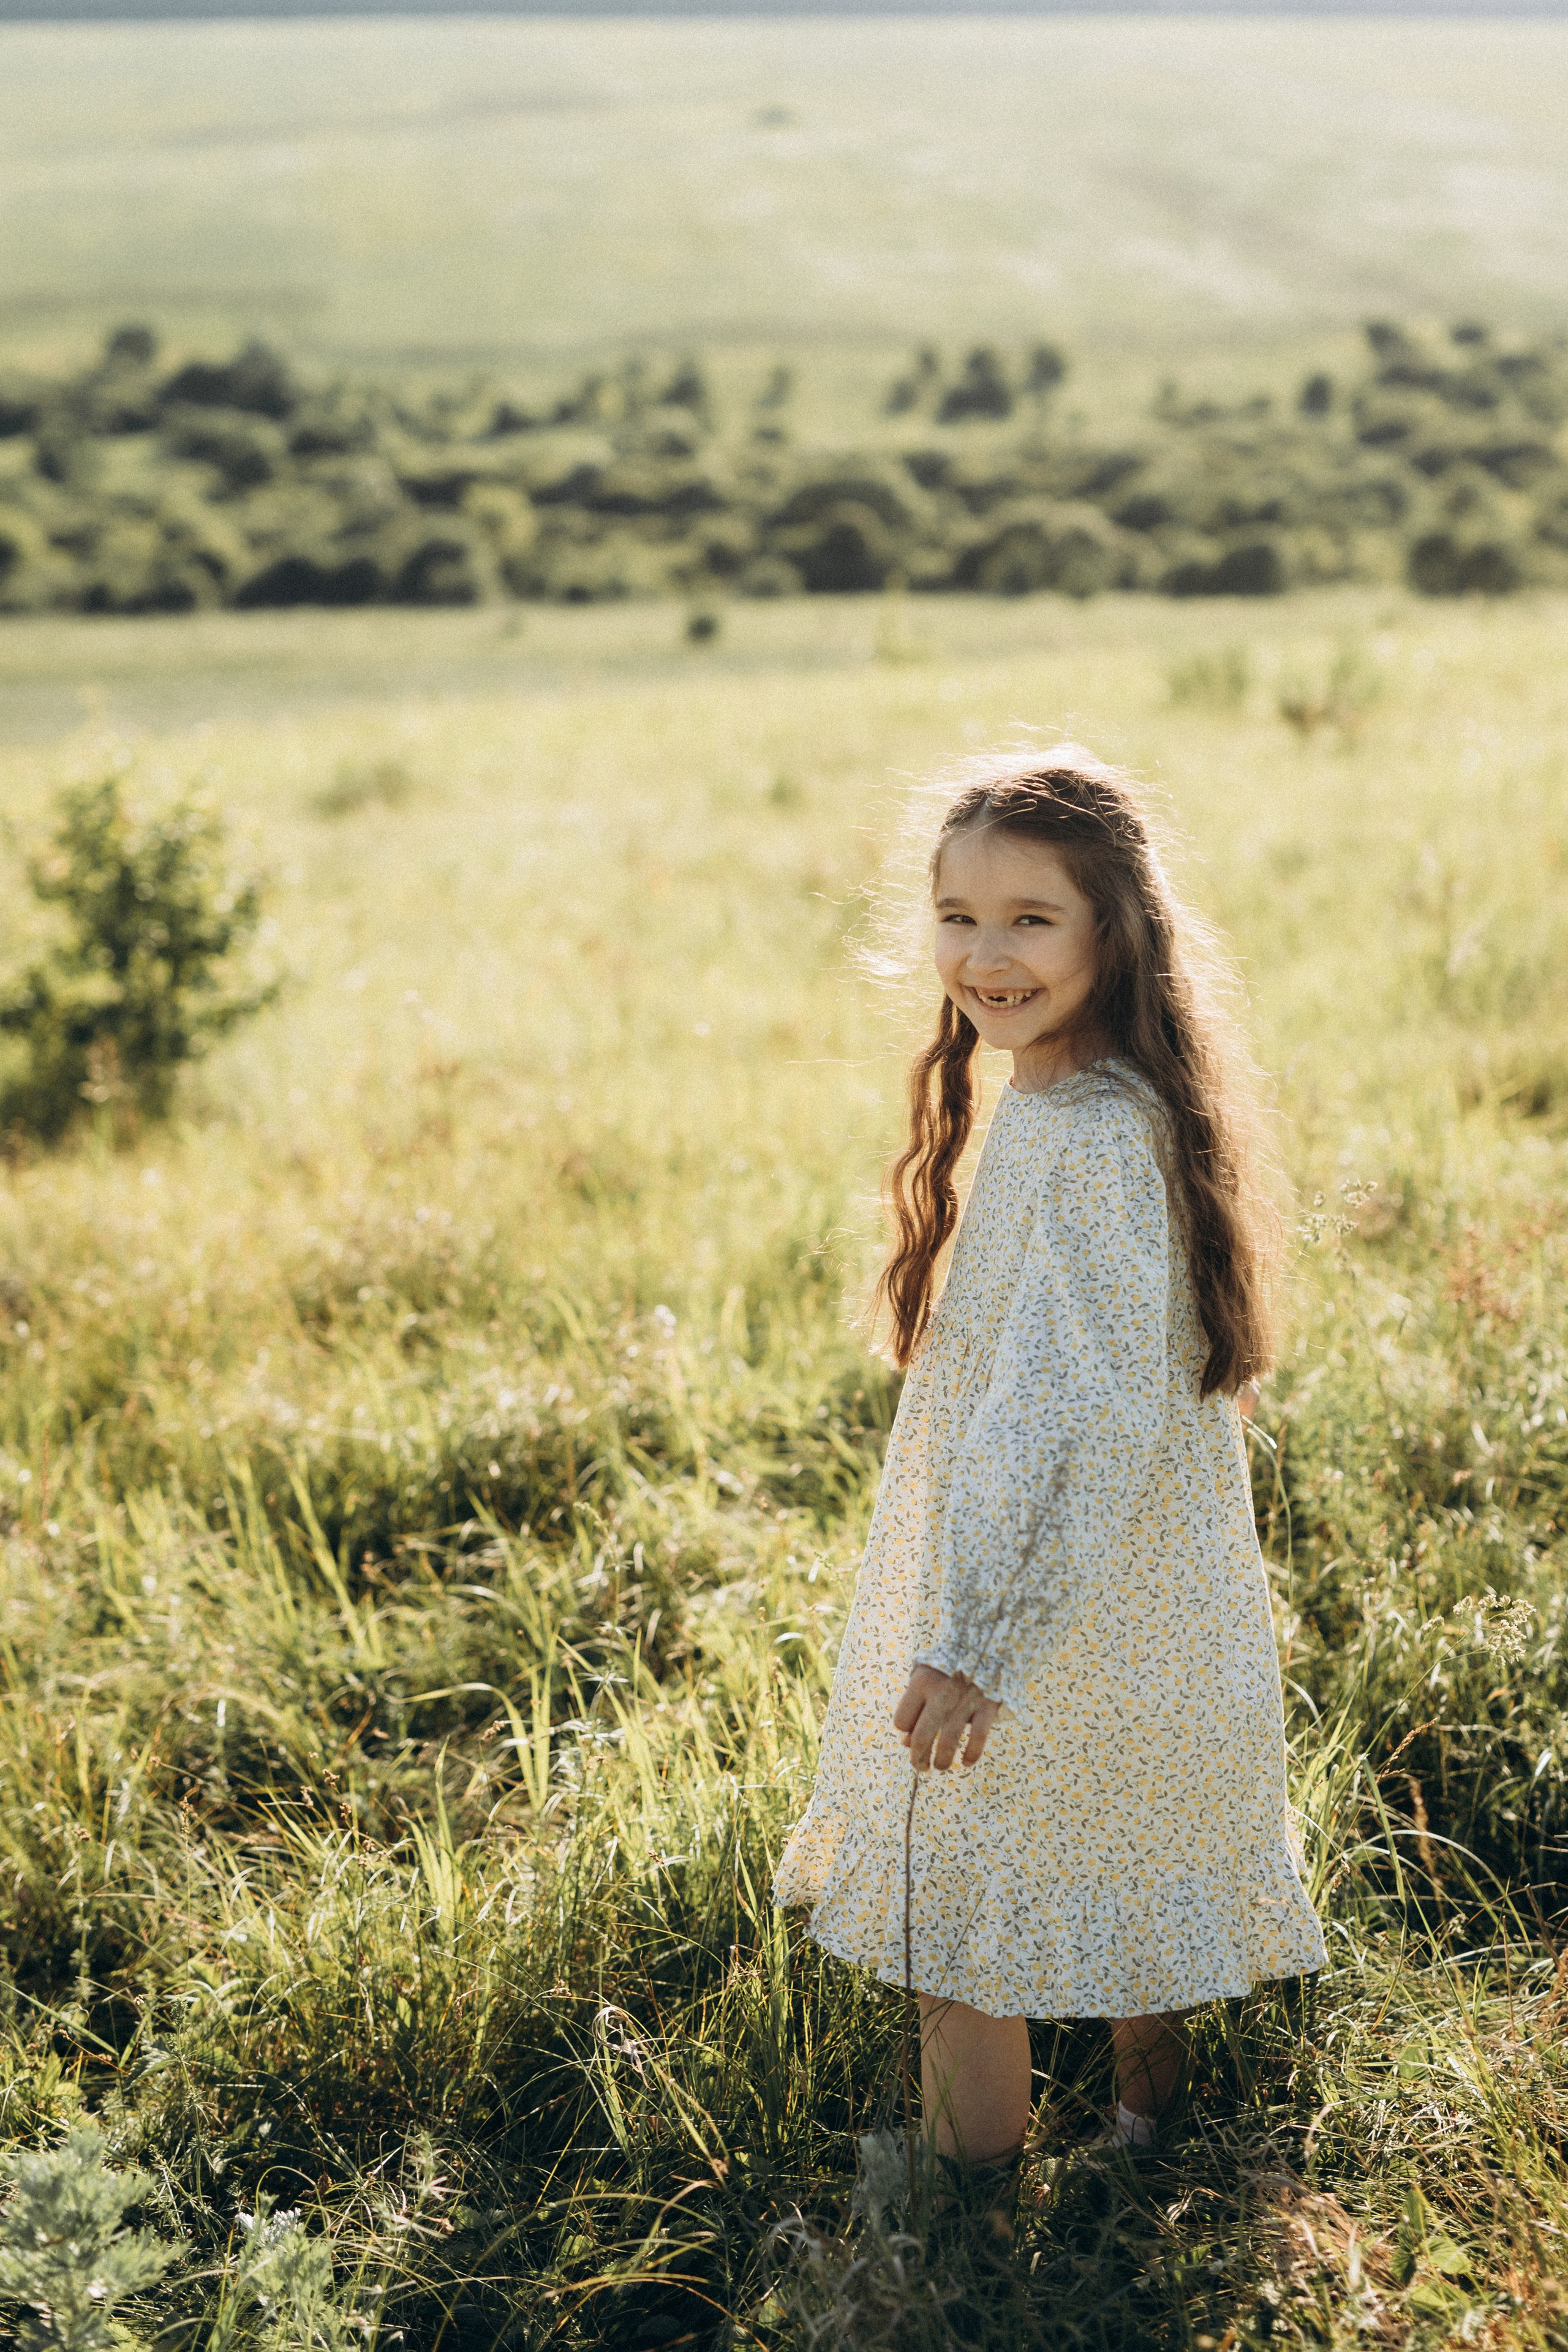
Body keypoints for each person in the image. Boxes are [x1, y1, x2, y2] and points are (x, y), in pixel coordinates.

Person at [772, 747, 1327, 2185]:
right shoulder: (1110, 1102)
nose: (984, 955)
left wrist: (976, 1636)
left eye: (1029, 918)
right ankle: (1151, 2149)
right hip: (1135, 1596)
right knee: (1132, 1854)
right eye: (955, 916)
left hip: (1045, 1597)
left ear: (1112, 931)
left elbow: (1061, 1412)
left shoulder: (1089, 1137)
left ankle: (963, 2224)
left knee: (956, 1915)